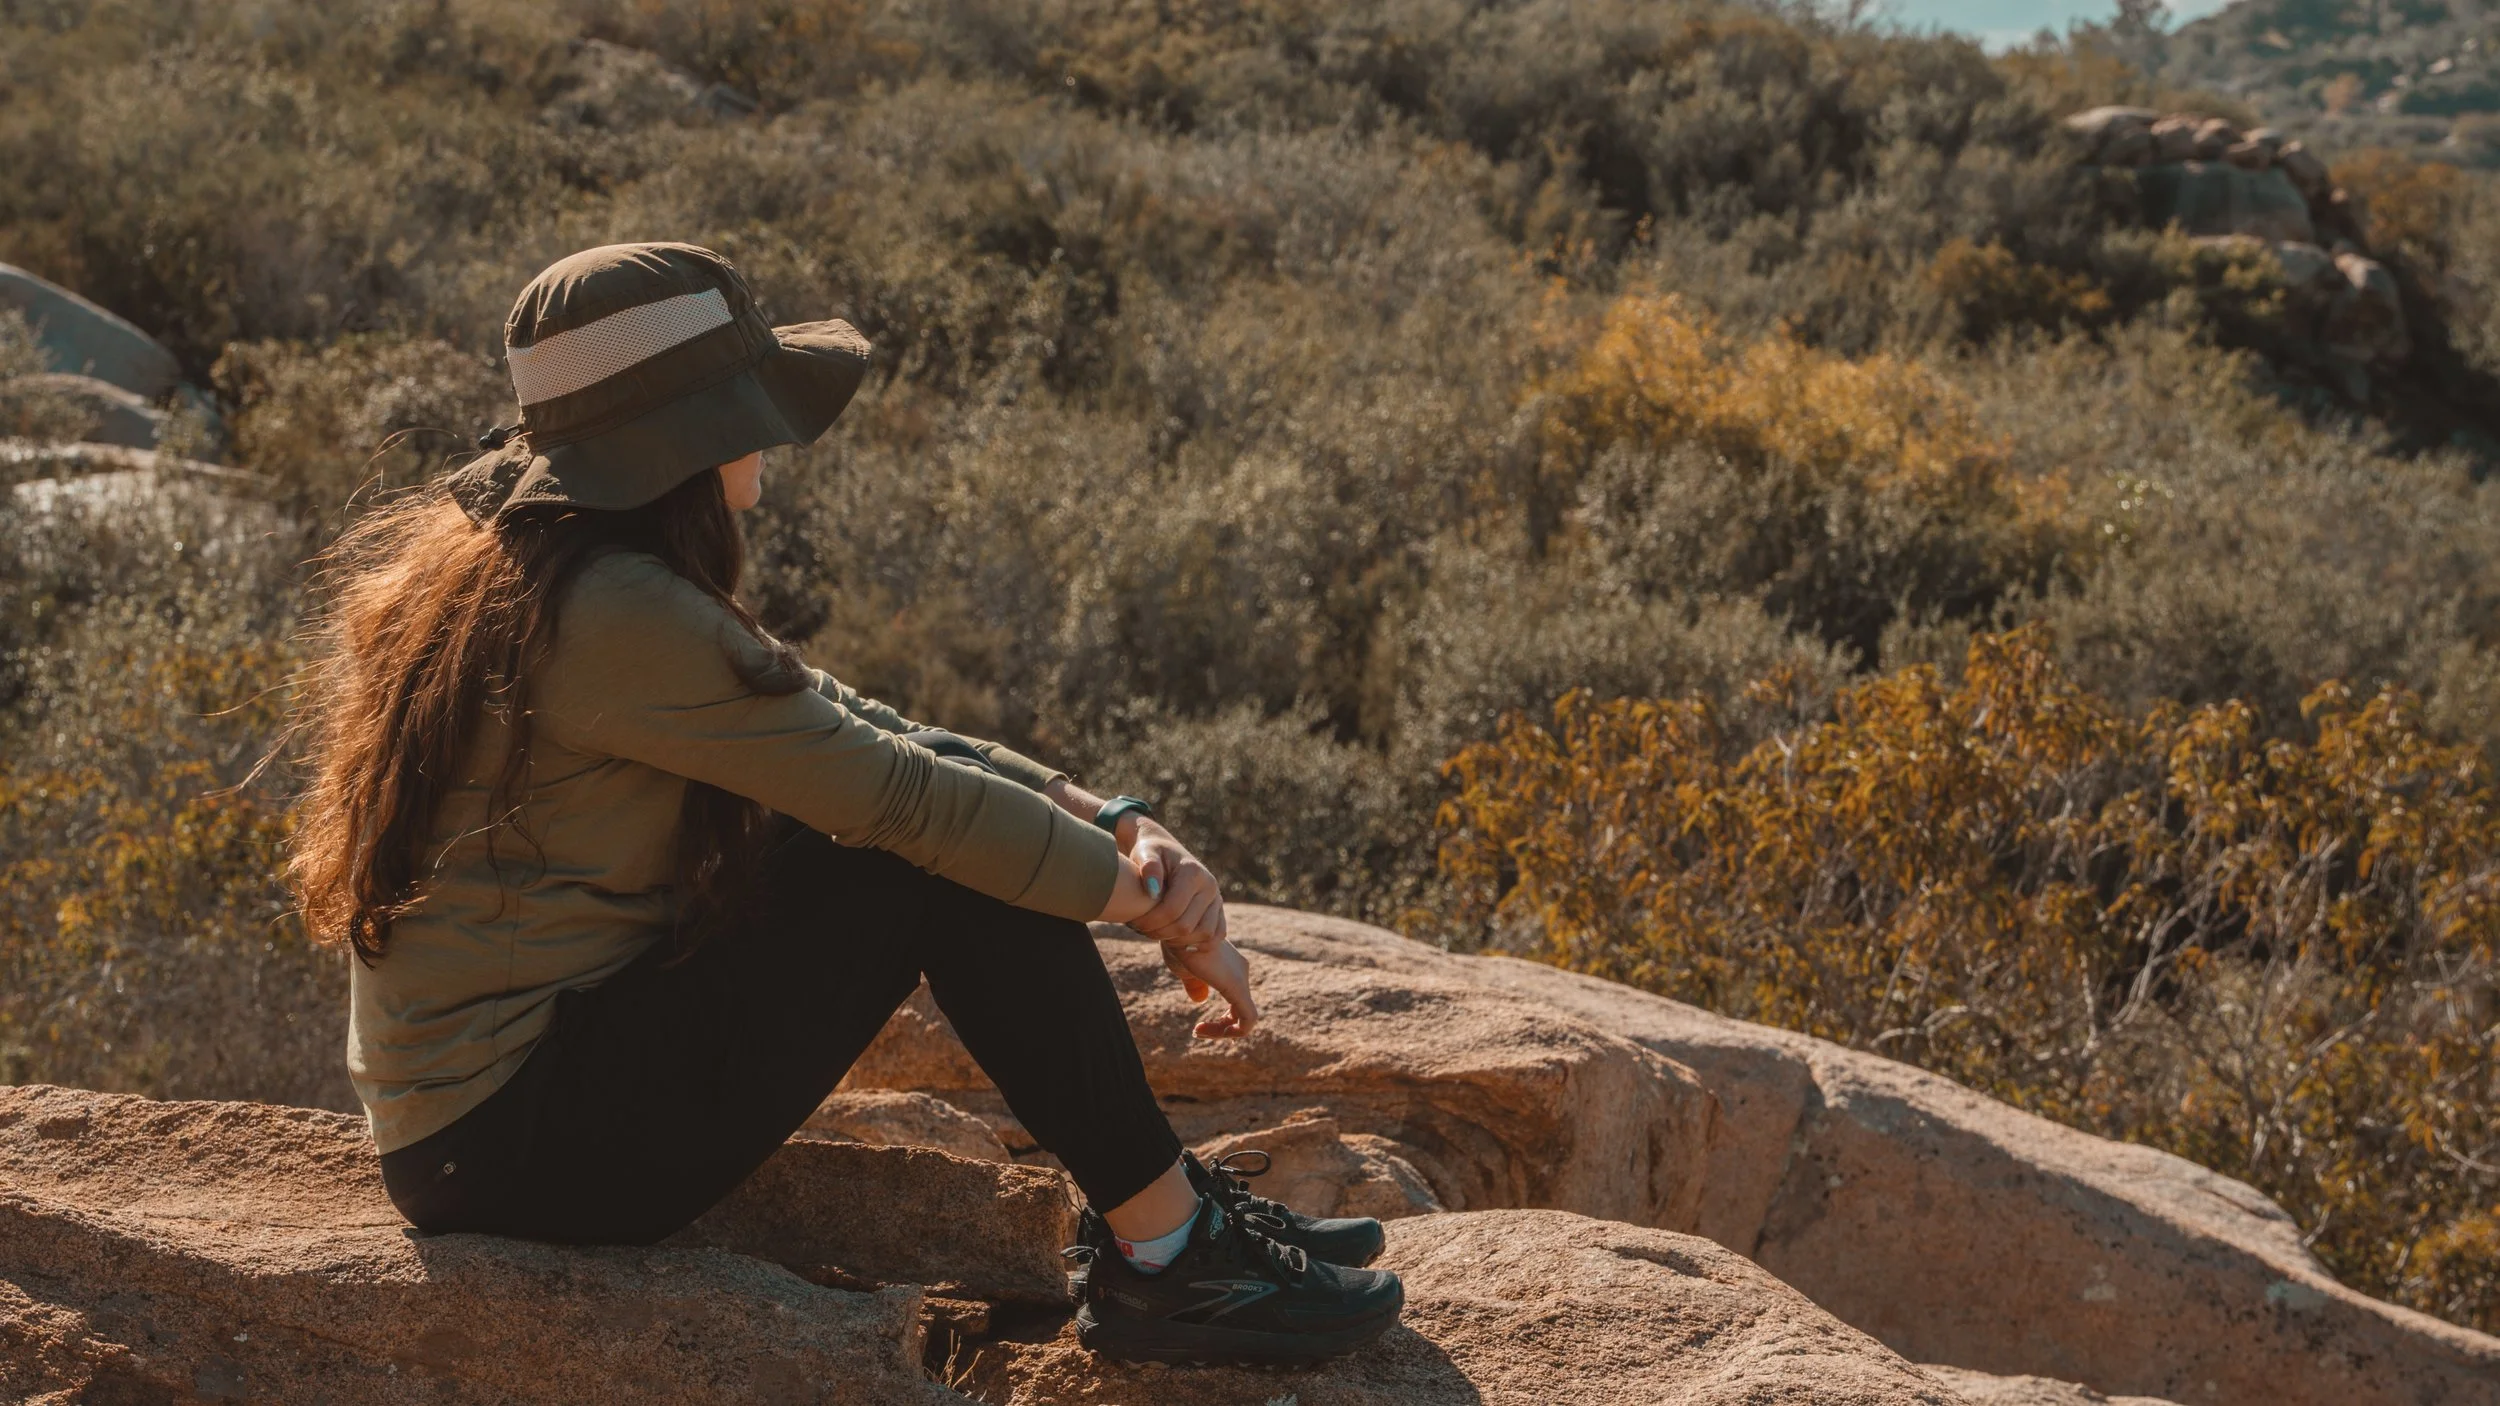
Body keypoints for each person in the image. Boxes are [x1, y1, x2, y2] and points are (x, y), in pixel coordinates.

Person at [284, 242, 1403, 1366]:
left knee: (919, 832)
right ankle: (1169, 1253)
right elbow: (899, 794)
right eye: (748, 402)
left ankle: (1169, 1223)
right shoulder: (607, 610)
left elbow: (859, 725)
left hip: (491, 1120)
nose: (771, 430)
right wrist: (1156, 910)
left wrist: (1117, 820)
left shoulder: (548, 566)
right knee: (913, 857)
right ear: (686, 434)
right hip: (517, 1148)